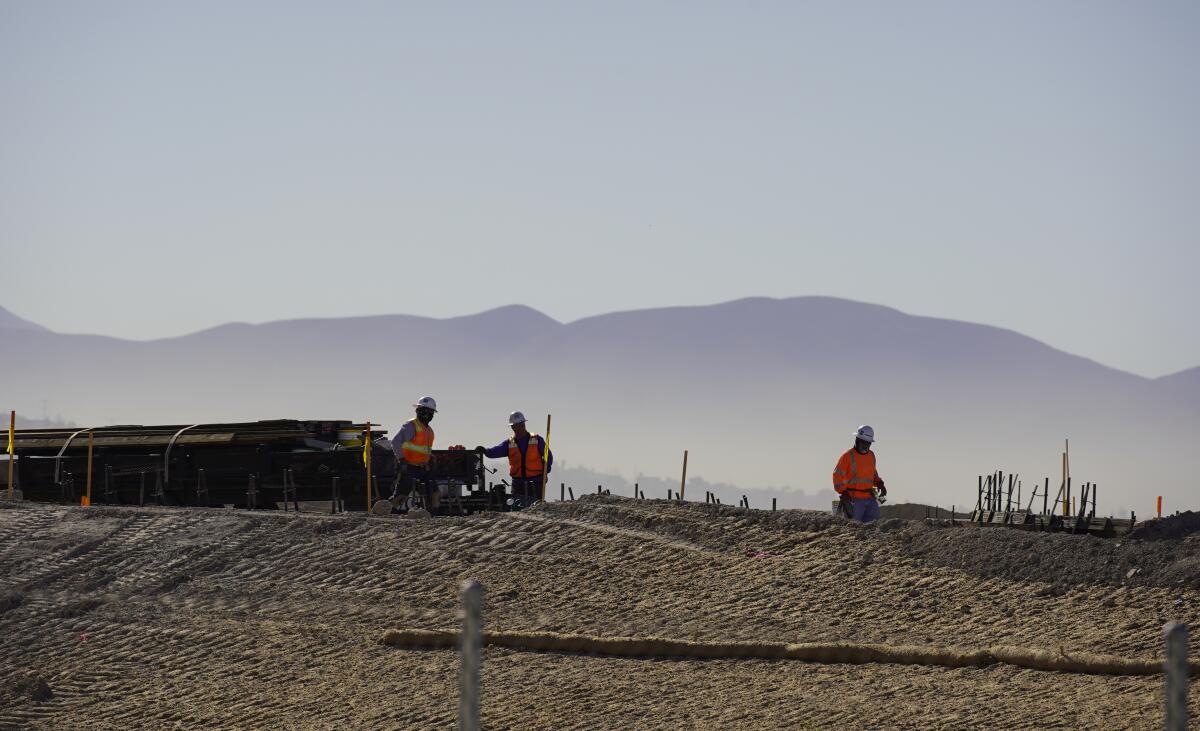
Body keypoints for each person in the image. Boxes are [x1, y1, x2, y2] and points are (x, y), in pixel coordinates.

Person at [476, 411, 552, 508]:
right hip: (518, 483)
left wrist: (547, 468)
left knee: (537, 507)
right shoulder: (509, 443)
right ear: (512, 427)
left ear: (524, 424)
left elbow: (548, 455)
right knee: (517, 507)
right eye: (517, 425)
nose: (520, 427)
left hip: (536, 482)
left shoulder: (537, 440)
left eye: (521, 424)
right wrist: (485, 451)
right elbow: (495, 452)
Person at [383, 396, 437, 512]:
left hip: (423, 468)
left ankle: (432, 515)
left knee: (434, 493)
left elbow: (424, 449)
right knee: (401, 496)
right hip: (409, 467)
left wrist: (430, 458)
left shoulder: (429, 431)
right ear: (417, 410)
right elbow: (396, 442)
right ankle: (386, 512)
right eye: (423, 410)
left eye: (429, 411)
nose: (426, 414)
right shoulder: (411, 426)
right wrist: (401, 460)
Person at [833, 425, 886, 523]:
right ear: (856, 439)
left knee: (873, 528)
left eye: (867, 443)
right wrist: (843, 493)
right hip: (853, 500)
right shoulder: (847, 456)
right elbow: (837, 476)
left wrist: (880, 483)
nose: (864, 445)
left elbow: (873, 473)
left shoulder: (871, 455)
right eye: (862, 442)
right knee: (852, 528)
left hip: (870, 498)